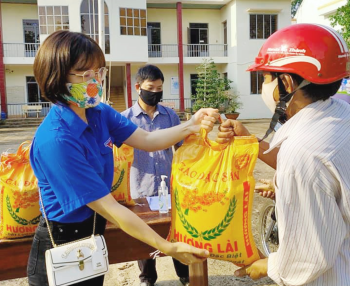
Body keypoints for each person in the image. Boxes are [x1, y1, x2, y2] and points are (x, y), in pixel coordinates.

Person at [27, 30, 218, 286]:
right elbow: (111, 208)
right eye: (85, 74)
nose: (94, 80)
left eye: (98, 72)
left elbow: (148, 140)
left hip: (93, 232)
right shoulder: (56, 140)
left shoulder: (98, 112)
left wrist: (191, 125)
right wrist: (166, 246)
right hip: (62, 242)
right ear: (56, 77)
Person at [217, 23, 350, 285]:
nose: (265, 85)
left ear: (286, 82)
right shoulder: (340, 114)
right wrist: (249, 139)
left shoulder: (303, 153)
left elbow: (308, 256)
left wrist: (267, 265)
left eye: (266, 78)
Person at [121, 65, 189, 286]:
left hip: (169, 187)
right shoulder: (124, 119)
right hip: (140, 187)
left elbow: (182, 148)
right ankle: (147, 278)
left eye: (160, 88)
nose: (156, 93)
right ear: (138, 87)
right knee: (144, 234)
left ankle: (185, 273)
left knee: (176, 230)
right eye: (151, 88)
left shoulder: (169, 116)